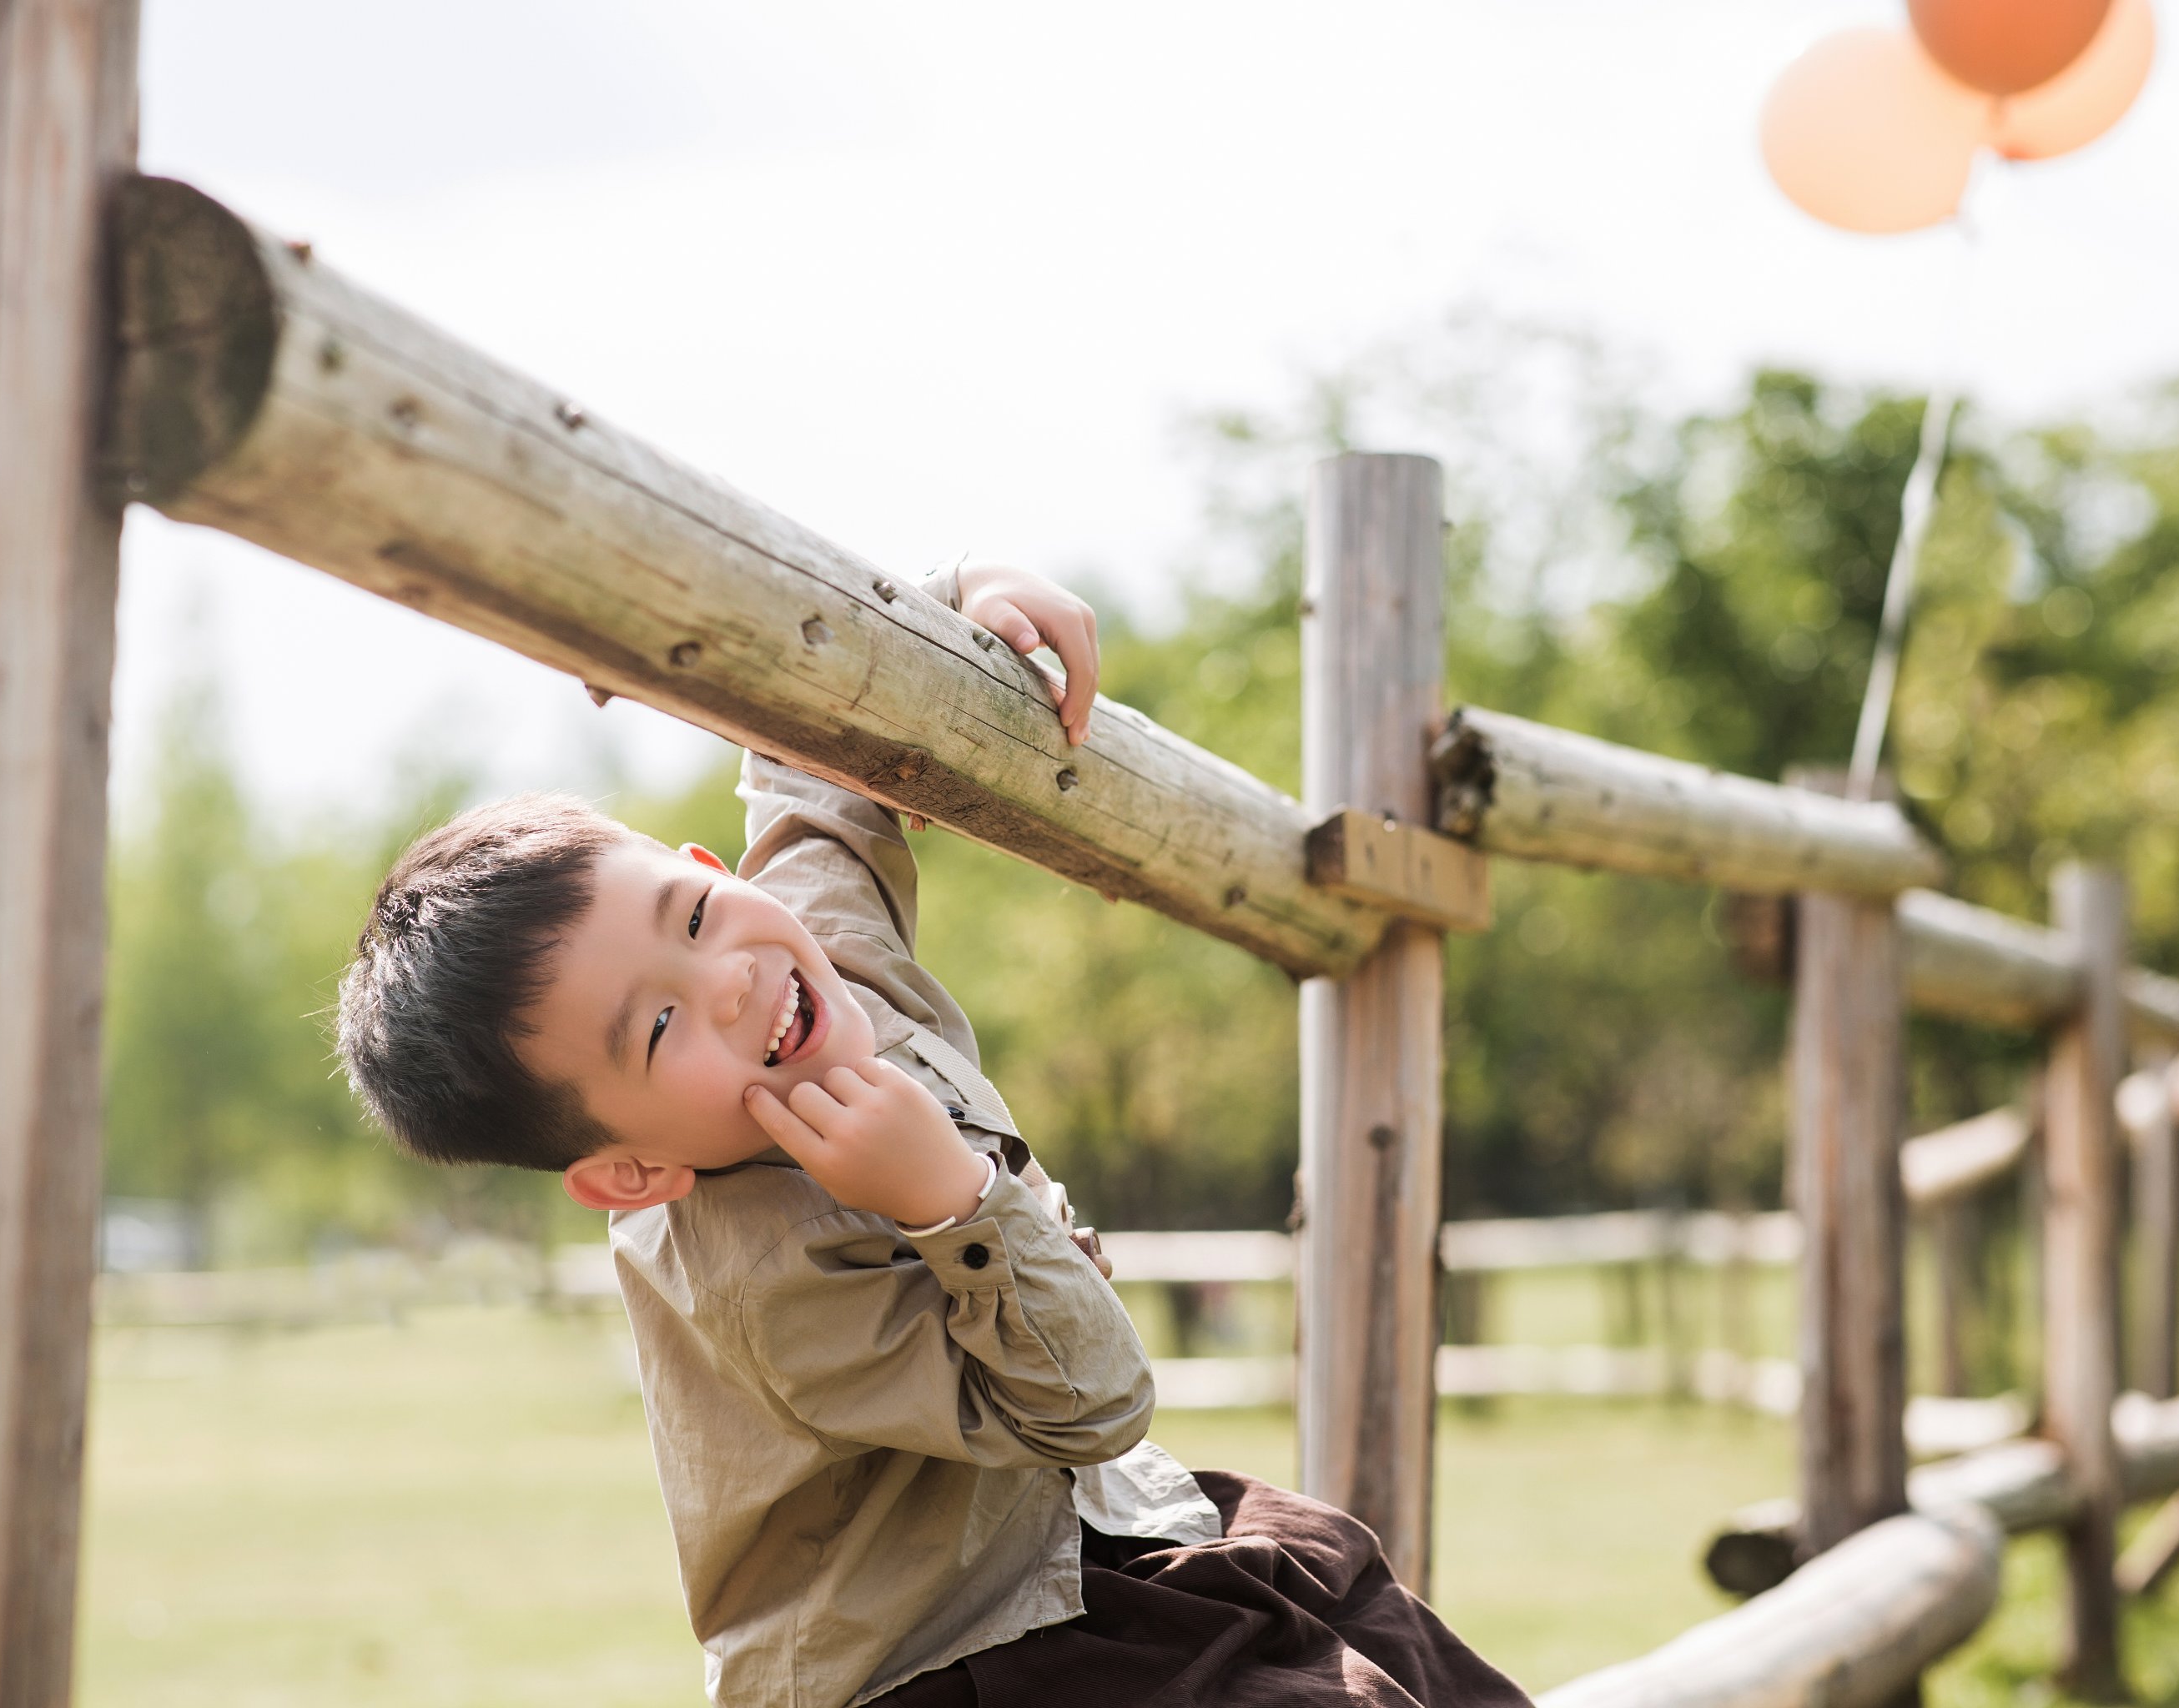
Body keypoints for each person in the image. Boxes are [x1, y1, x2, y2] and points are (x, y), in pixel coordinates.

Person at [333, 561, 1535, 1708]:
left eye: (692, 914)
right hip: (938, 1661)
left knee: (1365, 1609)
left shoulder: (815, 944)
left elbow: (810, 746)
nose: (732, 981)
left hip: (1079, 1556)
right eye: (658, 1025)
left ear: (706, 867)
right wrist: (952, 1203)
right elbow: (1092, 1400)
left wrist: (958, 595)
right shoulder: (766, 1274)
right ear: (634, 1172)